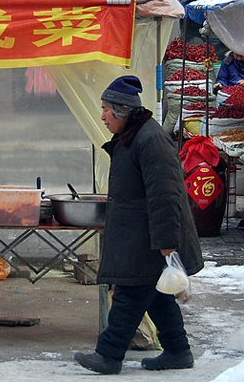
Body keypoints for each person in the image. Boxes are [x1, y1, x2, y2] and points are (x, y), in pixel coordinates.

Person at [74, 75, 204, 375]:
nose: (102, 116)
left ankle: (109, 356)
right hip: (141, 235)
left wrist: (168, 243)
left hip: (150, 238)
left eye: (106, 109)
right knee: (156, 294)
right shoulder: (133, 137)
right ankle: (178, 350)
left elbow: (166, 196)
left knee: (130, 295)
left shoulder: (150, 139)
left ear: (122, 110)